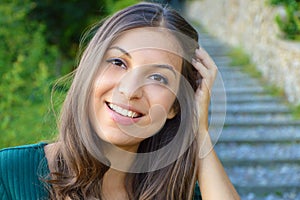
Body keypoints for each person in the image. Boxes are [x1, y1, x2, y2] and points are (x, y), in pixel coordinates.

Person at [0, 2, 240, 199]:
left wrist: (199, 129)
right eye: (118, 63)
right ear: (90, 70)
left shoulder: (182, 192)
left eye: (158, 77)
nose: (130, 90)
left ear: (175, 106)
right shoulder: (8, 174)